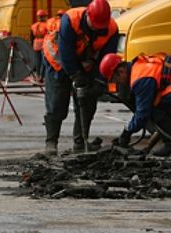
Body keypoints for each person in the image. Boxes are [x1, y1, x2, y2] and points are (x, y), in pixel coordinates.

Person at [41, 0, 118, 155]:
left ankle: (80, 142)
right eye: (94, 24)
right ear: (87, 15)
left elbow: (106, 58)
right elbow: (66, 52)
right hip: (58, 61)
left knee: (87, 102)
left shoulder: (111, 29)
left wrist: (99, 80)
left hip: (85, 62)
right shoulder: (70, 20)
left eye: (100, 26)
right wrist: (76, 76)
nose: (97, 28)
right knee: (57, 102)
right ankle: (51, 142)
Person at [100, 53, 171, 156]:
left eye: (116, 80)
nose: (119, 83)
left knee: (156, 110)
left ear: (121, 71)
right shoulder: (138, 66)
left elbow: (143, 113)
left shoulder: (139, 78)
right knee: (169, 110)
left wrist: (127, 132)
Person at [30, 10, 49, 81]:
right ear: (44, 16)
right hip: (44, 44)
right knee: (43, 62)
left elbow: (31, 37)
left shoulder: (33, 26)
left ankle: (38, 75)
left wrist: (32, 45)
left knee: (37, 61)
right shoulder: (47, 25)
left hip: (36, 44)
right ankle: (42, 76)